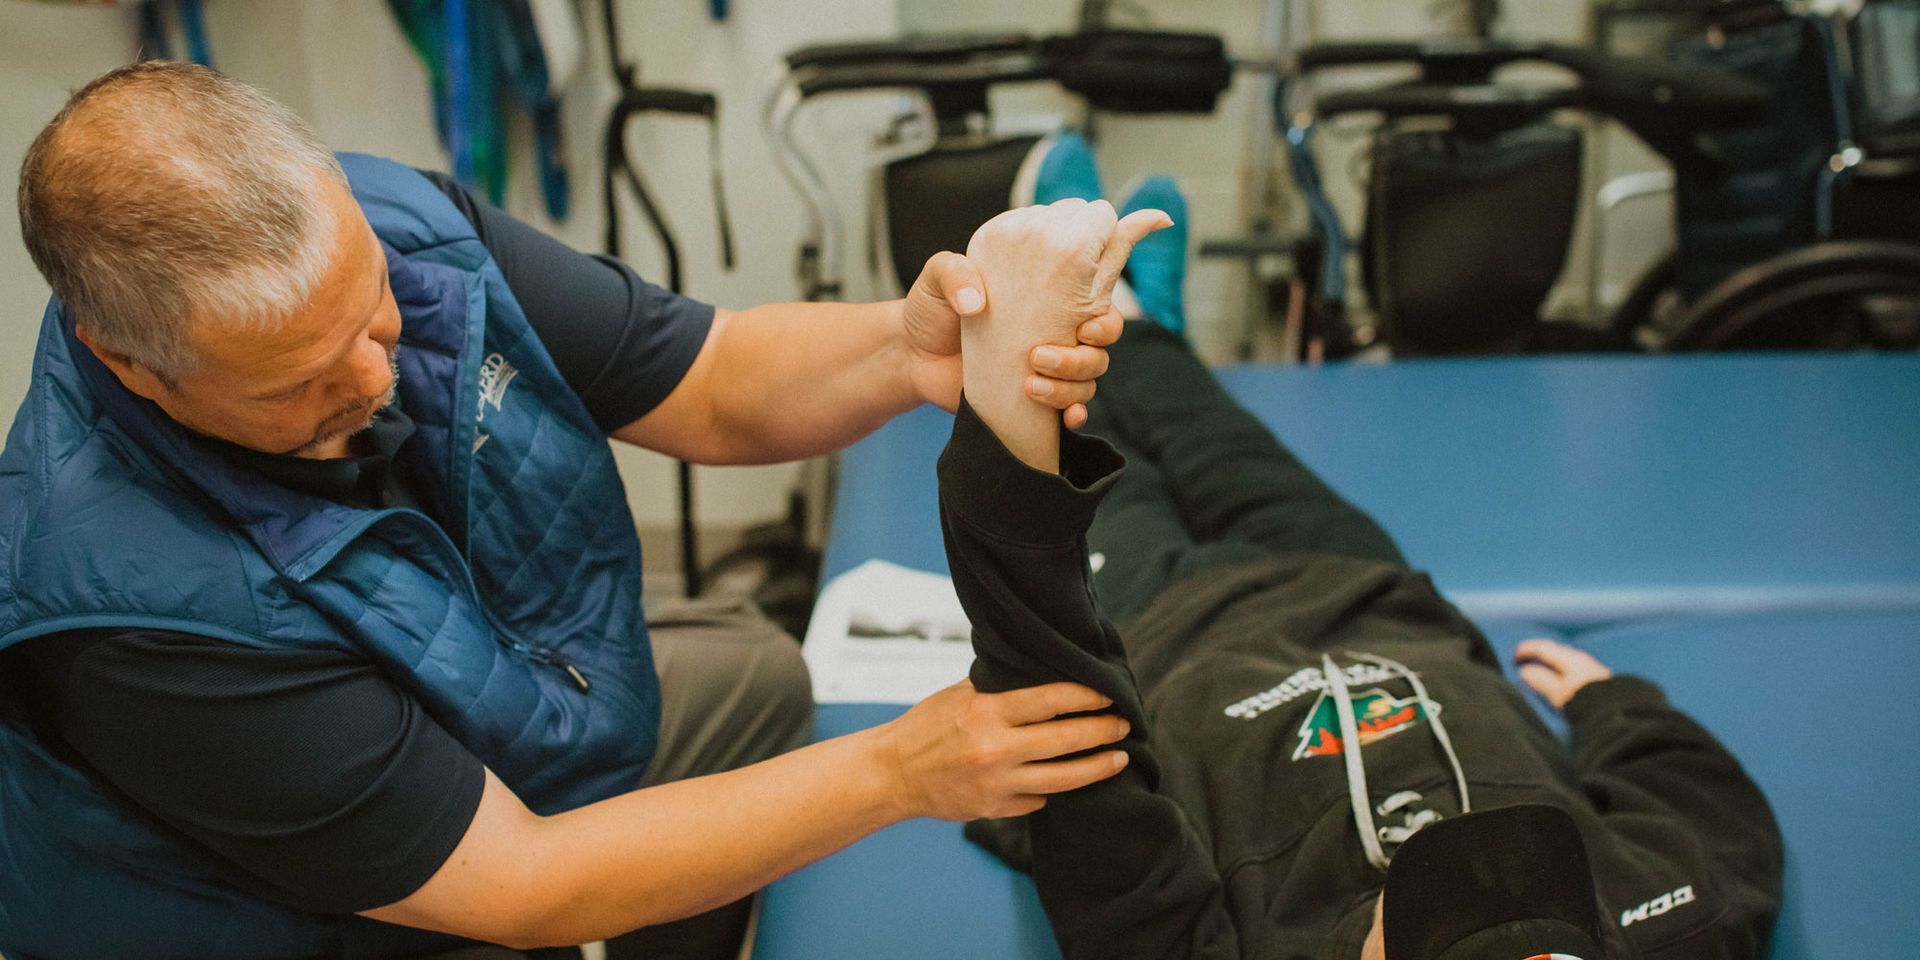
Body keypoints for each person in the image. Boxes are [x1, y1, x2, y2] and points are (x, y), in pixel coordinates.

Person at [0, 60, 1164, 959]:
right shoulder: (128, 609)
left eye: (370, 315)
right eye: (295, 383)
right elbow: (523, 885)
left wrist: (905, 351)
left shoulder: (396, 223)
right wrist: (905, 770)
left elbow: (708, 378)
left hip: (462, 722)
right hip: (301, 919)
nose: (370, 380)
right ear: (129, 362)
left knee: (751, 680)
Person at [930, 211, 1785, 959]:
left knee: (1094, 453)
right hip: (1364, 587)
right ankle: (1147, 325)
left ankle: (1101, 324)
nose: (1455, 845)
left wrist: (1004, 390)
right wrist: (1619, 709)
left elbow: (1098, 828)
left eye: (1437, 896)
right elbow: (1712, 817)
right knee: (1219, 443)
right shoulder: (1665, 927)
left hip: (1162, 625)